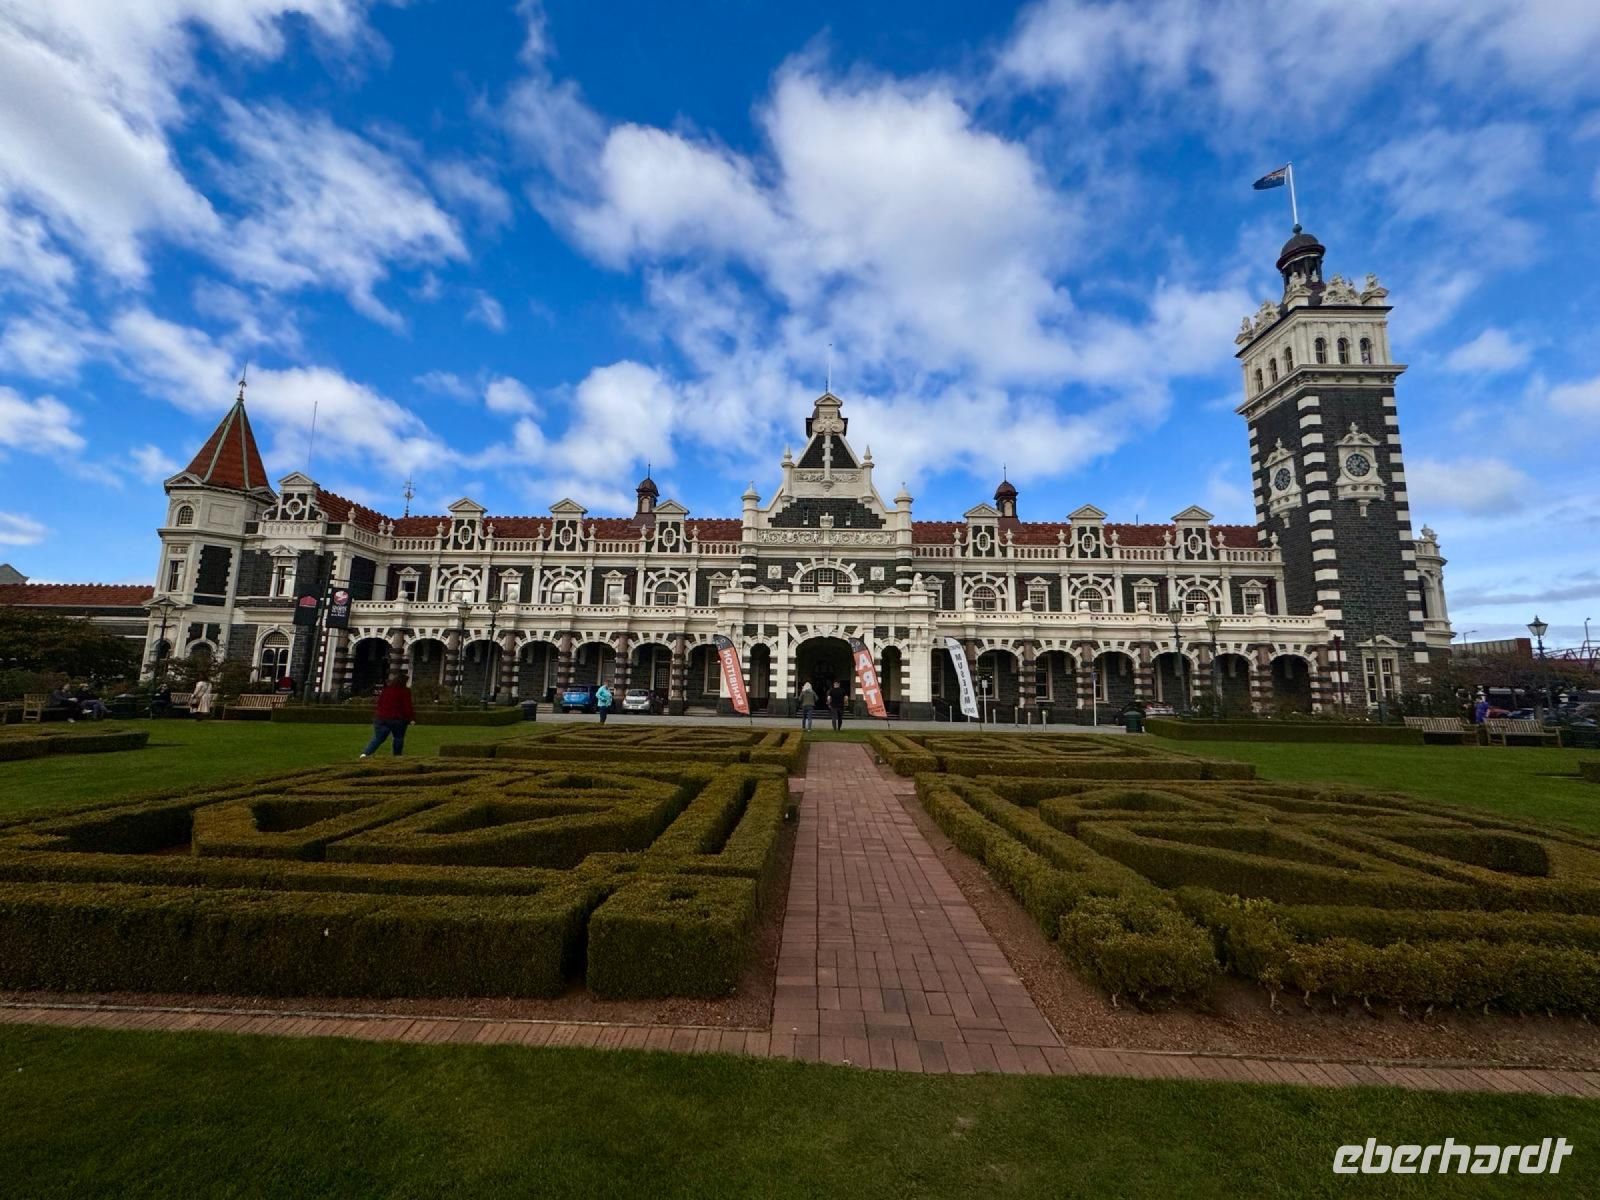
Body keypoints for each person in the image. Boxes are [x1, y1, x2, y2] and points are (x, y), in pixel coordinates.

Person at [361, 672, 416, 757]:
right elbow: (407, 706)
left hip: (381, 718)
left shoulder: (387, 690)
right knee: (398, 737)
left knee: (378, 738)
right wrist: (411, 718)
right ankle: (397, 756)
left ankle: (366, 753)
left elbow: (380, 702)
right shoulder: (405, 691)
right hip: (398, 719)